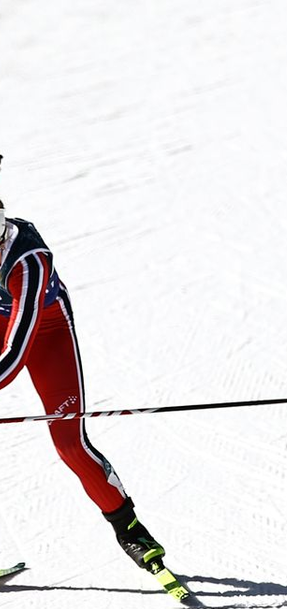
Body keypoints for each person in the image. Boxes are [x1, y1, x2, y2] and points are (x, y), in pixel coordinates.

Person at [0, 195, 171, 578]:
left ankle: (130, 530)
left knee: (69, 443)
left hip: (46, 333)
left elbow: (13, 357)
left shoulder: (28, 262)